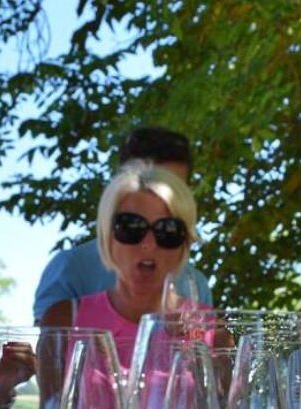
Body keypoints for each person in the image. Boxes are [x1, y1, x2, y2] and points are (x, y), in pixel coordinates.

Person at [32, 126, 212, 323]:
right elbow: (49, 338)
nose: (156, 195)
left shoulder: (197, 284)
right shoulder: (71, 268)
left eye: (174, 188)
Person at [40, 159, 200, 368]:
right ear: (107, 236)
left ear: (185, 242)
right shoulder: (63, 321)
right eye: (130, 227)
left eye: (168, 230)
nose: (148, 244)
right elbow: (50, 391)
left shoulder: (211, 332)